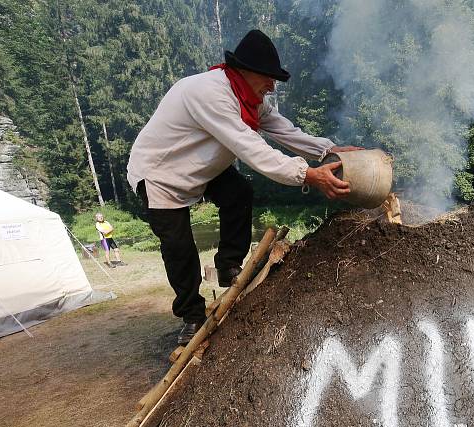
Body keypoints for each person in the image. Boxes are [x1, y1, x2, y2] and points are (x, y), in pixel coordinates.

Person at [127, 29, 360, 345]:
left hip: (202, 167)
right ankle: (191, 316)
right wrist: (309, 175)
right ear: (244, 71)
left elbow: (285, 131)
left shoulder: (251, 99)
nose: (272, 86)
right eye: (268, 77)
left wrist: (329, 150)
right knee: (179, 249)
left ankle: (228, 266)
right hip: (161, 173)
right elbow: (253, 149)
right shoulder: (210, 93)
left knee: (239, 194)